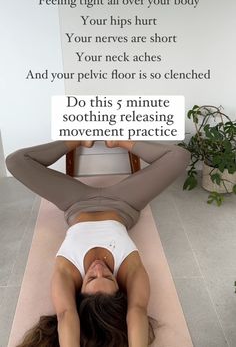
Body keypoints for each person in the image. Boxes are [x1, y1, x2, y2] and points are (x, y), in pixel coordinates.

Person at [6, 140, 190, 347]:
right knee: (179, 157)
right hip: (124, 202)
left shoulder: (68, 273)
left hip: (75, 202)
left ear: (80, 291)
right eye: (109, 277)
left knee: (15, 162)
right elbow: (137, 311)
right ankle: (118, 140)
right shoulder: (129, 270)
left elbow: (66, 315)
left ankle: (78, 140)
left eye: (91, 277)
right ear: (119, 286)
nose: (99, 269)